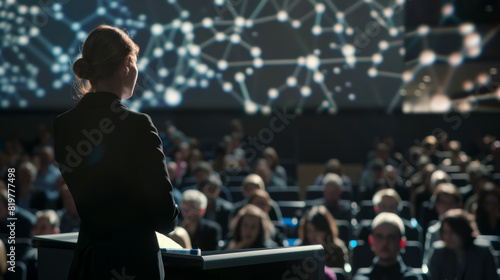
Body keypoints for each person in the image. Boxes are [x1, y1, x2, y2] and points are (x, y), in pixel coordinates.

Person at [53, 25, 179, 280]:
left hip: (89, 266)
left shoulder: (63, 126)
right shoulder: (137, 125)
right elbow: (165, 218)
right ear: (125, 64)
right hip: (136, 266)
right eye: (135, 62)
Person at [427, 209, 499, 280]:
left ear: (463, 231)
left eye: (452, 232)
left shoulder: (483, 251)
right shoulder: (439, 252)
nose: (448, 237)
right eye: (445, 232)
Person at [353, 213, 421, 280]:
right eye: (379, 237)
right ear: (371, 241)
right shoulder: (360, 278)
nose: (385, 242)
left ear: (402, 242)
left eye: (391, 237)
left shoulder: (412, 278)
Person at [356, 189, 423, 244]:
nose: (388, 210)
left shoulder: (411, 231)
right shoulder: (365, 231)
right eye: (384, 207)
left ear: (398, 209)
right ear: (376, 209)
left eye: (392, 207)